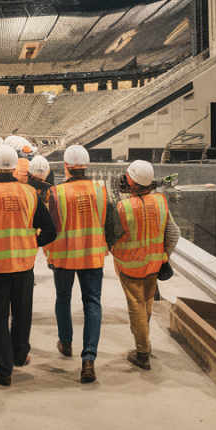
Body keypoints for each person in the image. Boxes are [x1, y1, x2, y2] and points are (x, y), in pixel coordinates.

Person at [0, 144, 56, 387]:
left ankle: (4, 369)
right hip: (24, 265)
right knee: (22, 313)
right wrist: (31, 242)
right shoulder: (30, 194)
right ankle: (19, 354)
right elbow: (50, 231)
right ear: (16, 167)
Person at [45, 145, 120, 384]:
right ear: (86, 166)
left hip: (65, 256)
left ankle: (66, 343)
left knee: (63, 298)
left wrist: (50, 255)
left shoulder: (56, 193)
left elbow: (52, 227)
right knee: (92, 303)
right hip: (92, 256)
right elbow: (110, 223)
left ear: (66, 167)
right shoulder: (100, 190)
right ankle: (88, 358)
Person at [112, 160, 181, 371]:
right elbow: (174, 234)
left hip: (129, 267)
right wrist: (163, 256)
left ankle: (142, 353)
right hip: (153, 265)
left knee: (136, 308)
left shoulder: (122, 207)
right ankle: (145, 343)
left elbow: (110, 238)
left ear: (132, 182)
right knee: (146, 305)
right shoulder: (160, 201)